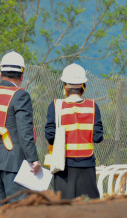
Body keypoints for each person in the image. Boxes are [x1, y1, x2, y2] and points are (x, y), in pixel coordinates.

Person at [0, 51, 40, 203]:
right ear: (22, 75)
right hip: (14, 163)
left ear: (1, 73)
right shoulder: (20, 96)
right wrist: (33, 159)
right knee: (16, 208)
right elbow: (25, 131)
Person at [44, 63, 103, 199]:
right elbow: (98, 137)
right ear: (83, 86)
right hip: (87, 165)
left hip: (62, 166)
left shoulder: (55, 106)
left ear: (64, 86)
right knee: (89, 207)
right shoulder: (93, 107)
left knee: (64, 208)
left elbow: (50, 136)